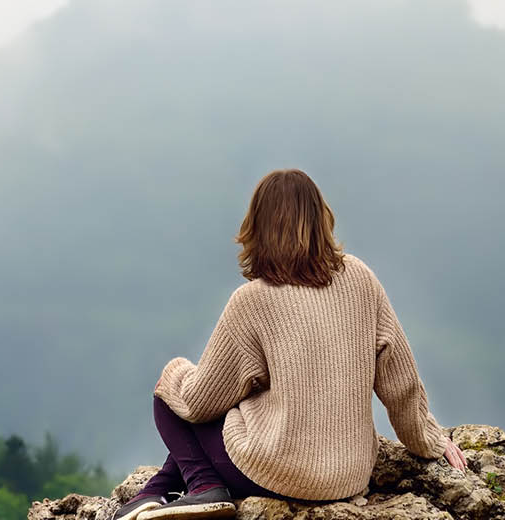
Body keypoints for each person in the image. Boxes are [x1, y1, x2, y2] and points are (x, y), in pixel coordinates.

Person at [114, 169, 469, 520]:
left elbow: (200, 403)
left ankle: (204, 486)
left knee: (170, 396)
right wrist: (430, 441)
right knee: (232, 403)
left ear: (257, 228)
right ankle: (155, 491)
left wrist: (175, 375)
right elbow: (401, 383)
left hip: (277, 475)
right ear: (321, 219)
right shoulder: (362, 280)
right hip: (349, 477)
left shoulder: (252, 300)